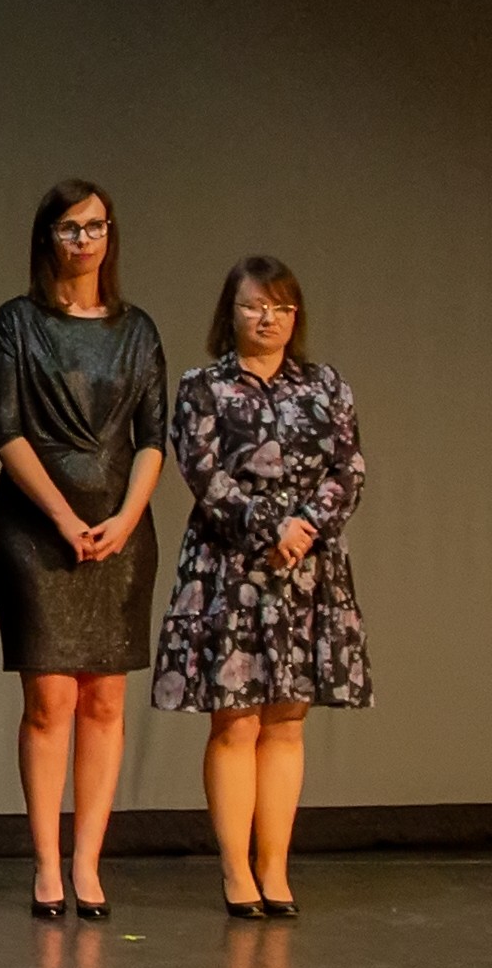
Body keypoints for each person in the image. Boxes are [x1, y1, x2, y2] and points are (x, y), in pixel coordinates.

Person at [154, 256, 369, 918]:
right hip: (232, 566)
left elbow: (349, 467)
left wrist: (305, 527)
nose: (267, 318)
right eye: (254, 306)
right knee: (236, 719)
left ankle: (275, 867)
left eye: (280, 307)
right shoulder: (204, 387)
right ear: (232, 313)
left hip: (307, 568)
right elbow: (202, 470)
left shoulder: (326, 385)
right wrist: (269, 526)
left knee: (286, 720)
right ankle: (235, 869)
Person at [0, 177, 167, 923]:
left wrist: (125, 517)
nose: (84, 239)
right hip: (37, 529)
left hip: (121, 529)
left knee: (105, 699)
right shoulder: (18, 321)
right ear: (47, 238)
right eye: (70, 227)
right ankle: (46, 863)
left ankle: (88, 861)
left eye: (95, 226)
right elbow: (4, 429)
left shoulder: (137, 328)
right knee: (50, 699)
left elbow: (154, 436)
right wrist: (63, 517)